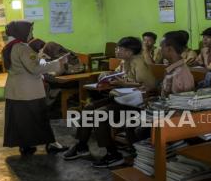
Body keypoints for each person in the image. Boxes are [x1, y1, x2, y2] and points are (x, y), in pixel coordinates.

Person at [63, 37, 156, 168]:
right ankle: (81, 146)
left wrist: (123, 83)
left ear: (129, 52)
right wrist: (106, 75)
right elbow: (117, 73)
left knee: (99, 114)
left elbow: (150, 85)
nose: (116, 50)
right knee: (89, 107)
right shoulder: (125, 62)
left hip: (135, 105)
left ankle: (113, 154)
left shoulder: (138, 62)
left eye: (120, 48)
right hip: (121, 99)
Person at [2, 20, 69, 155]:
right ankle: (51, 144)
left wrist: (38, 58)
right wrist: (58, 62)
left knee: (22, 120)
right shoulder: (23, 48)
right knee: (40, 118)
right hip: (30, 92)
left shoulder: (8, 47)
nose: (31, 34)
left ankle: (25, 145)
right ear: (21, 32)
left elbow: (22, 65)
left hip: (15, 91)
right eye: (30, 31)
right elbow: (35, 68)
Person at [160, 31, 195, 97]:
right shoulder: (172, 69)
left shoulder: (180, 73)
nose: (160, 50)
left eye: (162, 47)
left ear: (169, 49)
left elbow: (184, 101)